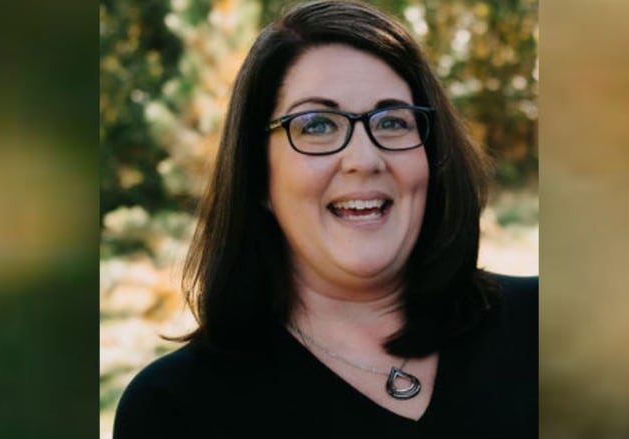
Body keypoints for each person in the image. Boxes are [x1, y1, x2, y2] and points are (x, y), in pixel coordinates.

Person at [113, 1, 537, 437]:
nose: (364, 159)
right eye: (317, 125)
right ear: (258, 175)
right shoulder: (176, 409)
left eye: (393, 121)